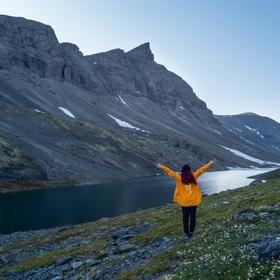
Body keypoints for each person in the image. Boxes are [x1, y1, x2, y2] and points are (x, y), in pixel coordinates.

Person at [156, 160, 215, 239]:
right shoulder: (194, 176)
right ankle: (191, 231)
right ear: (189, 171)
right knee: (193, 217)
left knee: (185, 217)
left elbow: (169, 171)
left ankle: (186, 233)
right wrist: (210, 163)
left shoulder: (178, 178)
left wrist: (161, 166)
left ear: (182, 171)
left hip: (184, 203)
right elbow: (202, 170)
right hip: (194, 202)